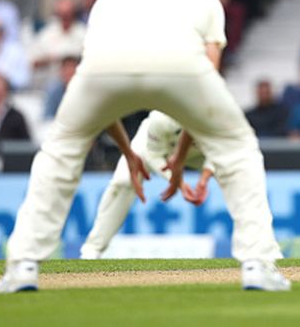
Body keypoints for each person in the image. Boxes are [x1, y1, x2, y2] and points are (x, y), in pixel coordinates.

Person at [0, 0, 289, 293]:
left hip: (103, 70)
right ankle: (258, 264)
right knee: (239, 149)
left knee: (60, 150)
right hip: (183, 67)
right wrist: (183, 154)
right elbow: (211, 69)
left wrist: (127, 151)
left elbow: (98, 85)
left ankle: (23, 264)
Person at [80, 110, 214, 260]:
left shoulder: (215, 118)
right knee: (123, 181)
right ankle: (92, 250)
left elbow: (221, 154)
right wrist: (178, 182)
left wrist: (203, 181)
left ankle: (245, 248)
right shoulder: (162, 118)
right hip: (153, 146)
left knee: (236, 171)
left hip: (199, 155)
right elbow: (153, 155)